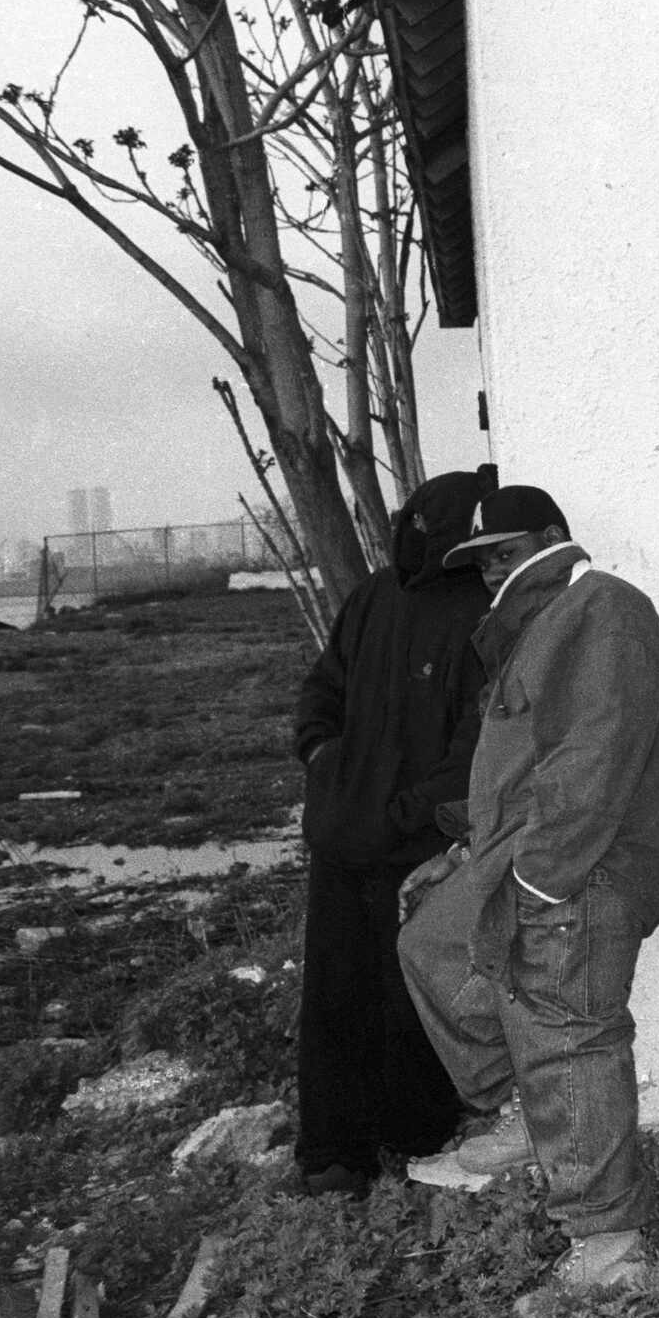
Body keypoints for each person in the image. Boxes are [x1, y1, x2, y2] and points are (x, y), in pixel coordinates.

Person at [394, 484, 659, 1301]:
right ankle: (526, 1110)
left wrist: (539, 882)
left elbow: (597, 754)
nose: (492, 570)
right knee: (431, 943)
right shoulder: (534, 627)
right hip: (529, 853)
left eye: (505, 551)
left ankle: (611, 1254)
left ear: (554, 538)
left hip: (588, 862)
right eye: (482, 560)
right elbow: (523, 772)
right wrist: (463, 854)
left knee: (569, 1031)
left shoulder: (605, 610)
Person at [289, 466, 495, 1196]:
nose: (414, 536)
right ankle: (333, 1155)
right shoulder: (373, 597)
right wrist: (325, 762)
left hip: (415, 845)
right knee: (336, 995)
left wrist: (412, 817)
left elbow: (477, 741)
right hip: (345, 839)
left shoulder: (482, 609)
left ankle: (415, 1142)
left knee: (413, 994)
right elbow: (322, 693)